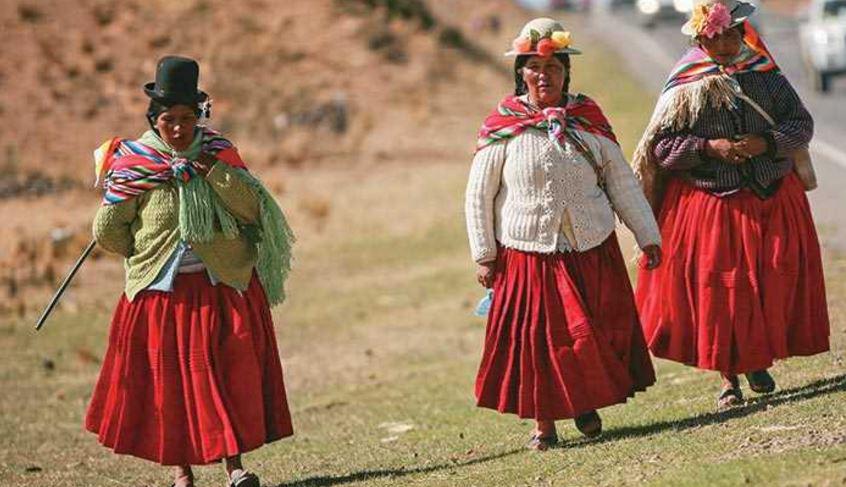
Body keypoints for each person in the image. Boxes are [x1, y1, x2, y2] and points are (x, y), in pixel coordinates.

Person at [85, 56, 295, 487]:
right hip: (163, 294)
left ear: (199, 115)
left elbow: (254, 210)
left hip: (221, 286)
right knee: (172, 389)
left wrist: (214, 175)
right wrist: (145, 255)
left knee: (224, 379)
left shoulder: (217, 153)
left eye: (186, 118)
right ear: (154, 120)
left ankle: (234, 468)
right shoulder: (134, 164)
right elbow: (108, 230)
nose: (179, 129)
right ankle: (182, 473)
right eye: (168, 120)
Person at [465, 18, 662, 450]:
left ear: (565, 73)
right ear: (522, 73)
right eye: (534, 68)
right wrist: (484, 252)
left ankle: (583, 400)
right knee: (539, 342)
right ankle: (544, 426)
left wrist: (648, 235)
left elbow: (620, 181)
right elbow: (478, 194)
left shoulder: (587, 120)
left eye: (552, 68)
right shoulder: (504, 127)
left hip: (589, 245)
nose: (543, 76)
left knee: (592, 332)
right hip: (527, 252)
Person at [632, 0, 830, 409]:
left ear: (742, 33)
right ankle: (729, 377)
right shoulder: (686, 84)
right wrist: (710, 147)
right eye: (713, 35)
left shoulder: (766, 75)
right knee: (723, 289)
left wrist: (769, 142)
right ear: (700, 37)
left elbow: (801, 123)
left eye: (729, 34)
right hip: (712, 203)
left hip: (769, 194)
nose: (722, 42)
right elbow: (663, 147)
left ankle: (758, 359)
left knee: (771, 279)